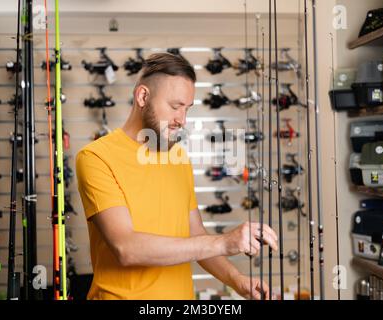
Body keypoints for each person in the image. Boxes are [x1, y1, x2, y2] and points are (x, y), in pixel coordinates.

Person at [76, 52, 278, 300]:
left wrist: (236, 280)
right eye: (175, 106)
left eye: (187, 109)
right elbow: (126, 248)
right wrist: (224, 242)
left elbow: (195, 236)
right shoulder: (96, 157)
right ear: (142, 96)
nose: (182, 120)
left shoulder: (178, 158)